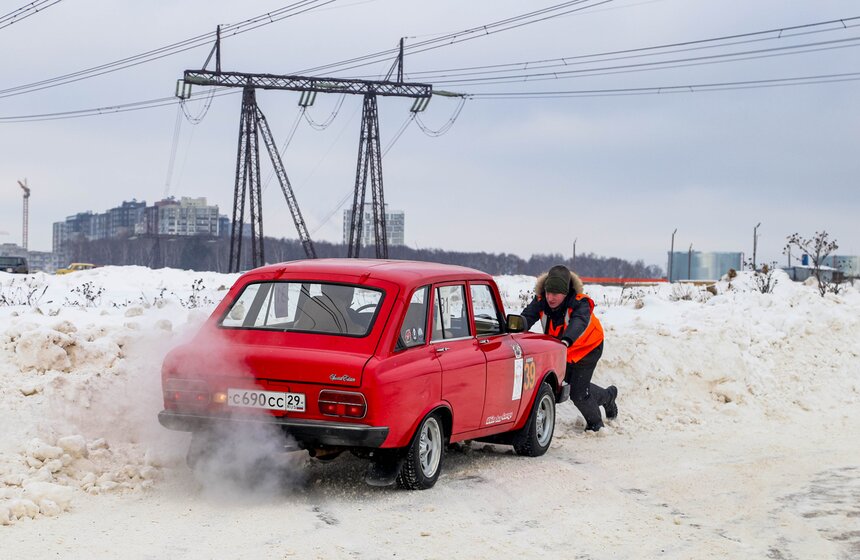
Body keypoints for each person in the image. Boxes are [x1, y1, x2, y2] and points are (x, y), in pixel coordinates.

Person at [521, 264, 618, 431]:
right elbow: (526, 318)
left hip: (588, 347)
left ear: (565, 294)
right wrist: (513, 327)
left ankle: (596, 426)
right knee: (572, 384)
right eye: (548, 293)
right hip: (564, 349)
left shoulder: (581, 303)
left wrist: (566, 340)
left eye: (556, 294)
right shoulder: (541, 300)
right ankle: (608, 396)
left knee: (578, 394)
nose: (551, 298)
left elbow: (579, 321)